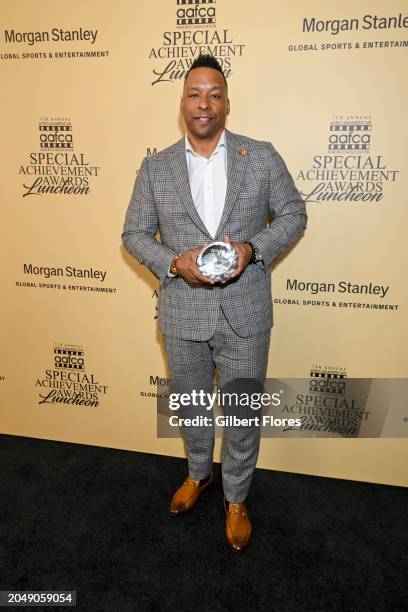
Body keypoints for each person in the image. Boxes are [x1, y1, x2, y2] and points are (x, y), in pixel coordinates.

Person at [122, 54, 307, 553]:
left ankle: (238, 497)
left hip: (245, 313)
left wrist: (255, 249)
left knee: (243, 412)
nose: (204, 103)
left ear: (226, 102)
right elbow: (134, 234)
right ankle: (199, 474)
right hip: (183, 313)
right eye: (194, 94)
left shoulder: (260, 156)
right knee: (194, 408)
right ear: (182, 102)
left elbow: (293, 212)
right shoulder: (155, 167)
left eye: (214, 94)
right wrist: (173, 263)